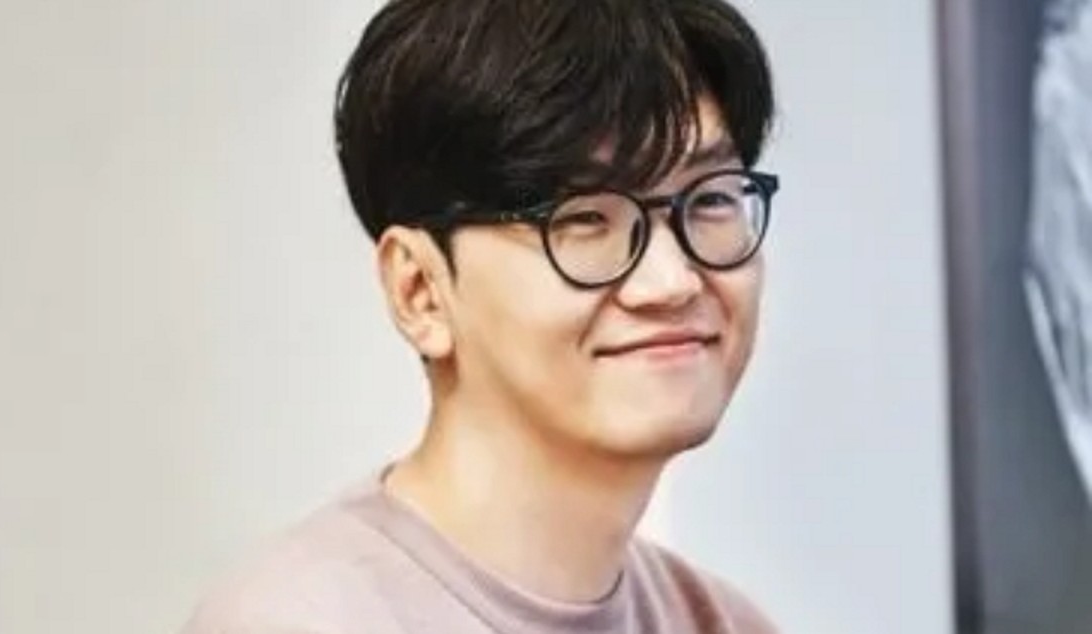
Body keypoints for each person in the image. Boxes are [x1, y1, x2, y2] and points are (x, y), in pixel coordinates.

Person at [182, 0, 780, 631]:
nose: (672, 282)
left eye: (710, 199)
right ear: (420, 290)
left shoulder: (722, 621)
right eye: (583, 218)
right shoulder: (305, 618)